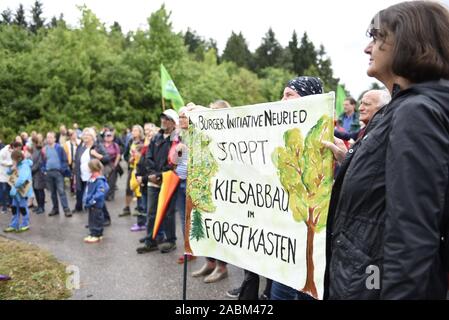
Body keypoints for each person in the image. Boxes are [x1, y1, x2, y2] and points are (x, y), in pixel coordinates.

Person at [324, 1, 449, 300]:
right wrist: (352, 162)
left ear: (408, 41)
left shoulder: (416, 111)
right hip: (363, 277)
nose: (368, 48)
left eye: (377, 37)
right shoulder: (405, 106)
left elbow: (412, 234)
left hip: (370, 284)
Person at [192, 100, 231, 283]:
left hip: (224, 191)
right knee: (206, 227)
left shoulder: (230, 133)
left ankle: (221, 267)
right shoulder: (205, 133)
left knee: (220, 229)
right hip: (207, 187)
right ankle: (209, 262)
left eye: (215, 111)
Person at [136, 109, 179, 254]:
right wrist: (153, 174)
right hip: (153, 180)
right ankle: (150, 241)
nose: (163, 121)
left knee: (168, 212)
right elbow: (148, 158)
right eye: (162, 118)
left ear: (173, 122)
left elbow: (174, 161)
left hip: (168, 181)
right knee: (151, 212)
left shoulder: (176, 140)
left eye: (167, 118)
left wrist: (160, 176)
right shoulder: (156, 138)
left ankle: (170, 240)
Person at [72, 128, 111, 226]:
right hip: (83, 177)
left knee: (97, 199)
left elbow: (107, 158)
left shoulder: (97, 146)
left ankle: (105, 219)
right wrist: (76, 176)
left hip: (94, 178)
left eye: (87, 134)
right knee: (88, 200)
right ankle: (93, 221)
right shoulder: (81, 147)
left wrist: (96, 154)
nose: (85, 136)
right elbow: (77, 162)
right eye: (84, 134)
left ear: (92, 137)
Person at [42, 132, 71, 217]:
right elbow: (43, 161)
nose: (49, 139)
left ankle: (66, 209)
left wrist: (62, 169)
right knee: (52, 193)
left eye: (51, 137)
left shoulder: (59, 148)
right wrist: (44, 170)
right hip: (48, 173)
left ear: (55, 139)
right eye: (47, 137)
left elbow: (65, 160)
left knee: (61, 191)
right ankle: (55, 209)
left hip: (58, 173)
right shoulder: (44, 149)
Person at [3, 150, 33, 233]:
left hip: (23, 191)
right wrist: (11, 169)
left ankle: (25, 224)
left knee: (23, 208)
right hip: (16, 191)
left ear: (18, 159)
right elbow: (8, 173)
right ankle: (13, 225)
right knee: (14, 208)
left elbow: (22, 179)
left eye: (13, 159)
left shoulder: (25, 166)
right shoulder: (18, 165)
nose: (12, 161)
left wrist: (15, 187)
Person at [83, 159, 109, 244]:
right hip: (91, 203)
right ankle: (93, 233)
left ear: (92, 168)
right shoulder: (92, 178)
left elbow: (101, 192)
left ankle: (97, 234)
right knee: (92, 219)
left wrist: (93, 199)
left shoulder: (99, 180)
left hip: (96, 203)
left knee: (97, 218)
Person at [120, 125, 144, 217]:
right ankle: (127, 208)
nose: (133, 132)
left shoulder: (143, 141)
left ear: (140, 132)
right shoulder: (130, 141)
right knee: (128, 188)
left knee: (139, 188)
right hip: (131, 168)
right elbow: (125, 154)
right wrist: (128, 159)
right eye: (133, 130)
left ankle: (140, 208)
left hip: (140, 168)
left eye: (135, 130)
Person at [0, 142, 23, 214]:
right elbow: (1, 161)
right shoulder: (3, 151)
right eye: (17, 148)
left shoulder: (14, 152)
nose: (18, 150)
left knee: (10, 190)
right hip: (3, 174)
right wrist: (10, 163)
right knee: (3, 190)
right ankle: (4, 207)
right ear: (13, 147)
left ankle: (10, 205)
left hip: (11, 174)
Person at [101, 131, 121, 201]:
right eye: (107, 135)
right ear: (104, 137)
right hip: (103, 165)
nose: (108, 137)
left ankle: (110, 195)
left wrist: (115, 164)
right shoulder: (101, 145)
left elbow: (118, 155)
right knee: (103, 180)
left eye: (110, 136)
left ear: (112, 137)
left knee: (112, 181)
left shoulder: (115, 145)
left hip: (112, 164)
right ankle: (103, 195)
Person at [30, 135, 46, 214]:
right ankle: (38, 206)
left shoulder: (40, 150)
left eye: (32, 142)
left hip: (39, 173)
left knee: (40, 190)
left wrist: (31, 170)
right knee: (35, 190)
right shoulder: (33, 150)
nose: (31, 144)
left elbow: (39, 163)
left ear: (35, 142)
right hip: (33, 174)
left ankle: (42, 207)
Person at [64, 129, 81, 195]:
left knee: (77, 175)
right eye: (73, 135)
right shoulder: (67, 143)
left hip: (78, 161)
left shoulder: (79, 142)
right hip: (71, 162)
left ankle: (78, 189)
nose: (75, 136)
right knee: (71, 176)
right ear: (70, 136)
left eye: (75, 134)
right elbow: (65, 153)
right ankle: (72, 190)